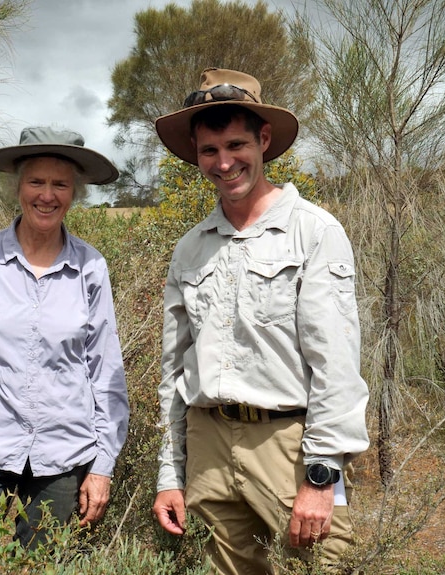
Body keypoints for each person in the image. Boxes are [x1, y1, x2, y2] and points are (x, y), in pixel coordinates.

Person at [151, 68, 370, 574]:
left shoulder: (313, 232)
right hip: (207, 445)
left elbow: (335, 363)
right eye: (210, 151)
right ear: (196, 153)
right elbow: (173, 372)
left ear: (264, 140)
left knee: (319, 566)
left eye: (236, 145)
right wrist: (170, 473)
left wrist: (320, 477)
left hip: (289, 446)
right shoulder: (190, 248)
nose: (224, 163)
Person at [0, 126, 130, 549]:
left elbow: (105, 371)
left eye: (60, 184)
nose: (47, 195)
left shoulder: (91, 267)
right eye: (36, 182)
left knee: (47, 564)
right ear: (17, 187)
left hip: (63, 454)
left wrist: (103, 465)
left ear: (75, 193)